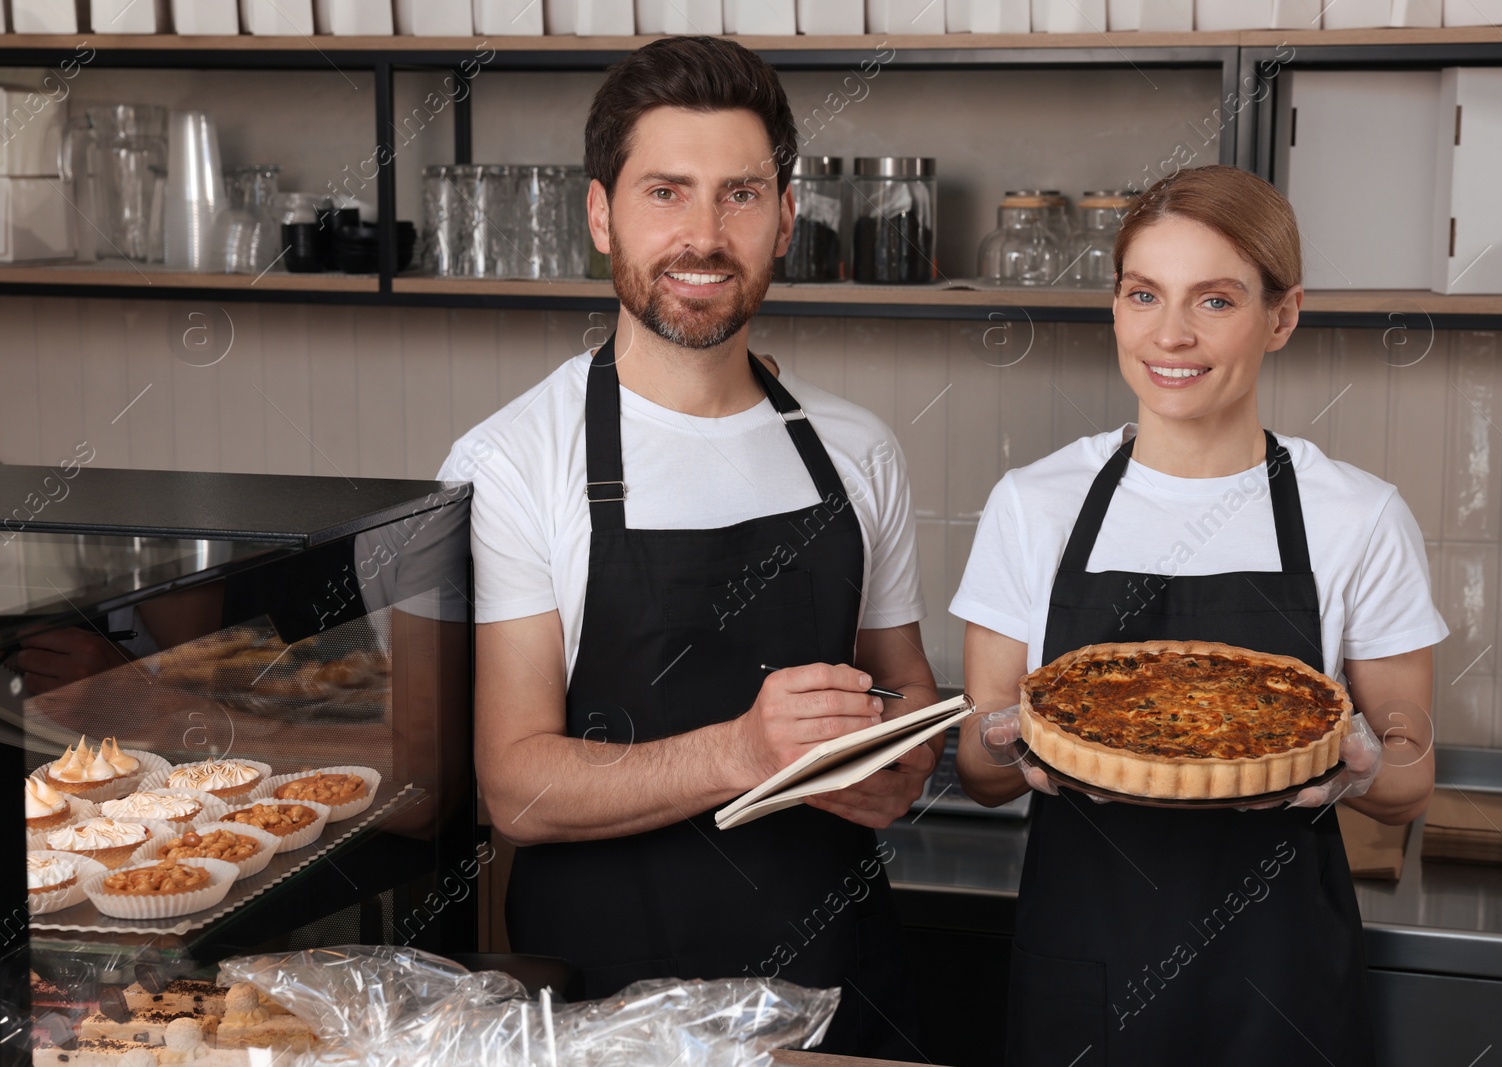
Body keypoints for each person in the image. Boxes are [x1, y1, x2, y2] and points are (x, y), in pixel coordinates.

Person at [440, 36, 936, 1058]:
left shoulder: (856, 450)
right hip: (605, 1015)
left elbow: (909, 694)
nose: (703, 236)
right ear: (599, 214)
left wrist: (902, 757)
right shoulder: (514, 458)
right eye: (665, 192)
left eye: (740, 195)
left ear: (785, 218)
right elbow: (516, 785)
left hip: (838, 997)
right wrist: (743, 750)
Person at [952, 165, 1447, 1066]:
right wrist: (1009, 739)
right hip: (1089, 971)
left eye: (1214, 300)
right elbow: (981, 770)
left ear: (1283, 315)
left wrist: (1371, 758)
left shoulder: (1357, 514)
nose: (1169, 334)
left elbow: (1411, 772)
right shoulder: (1035, 504)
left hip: (1284, 980)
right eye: (1144, 294)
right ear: (1116, 306)